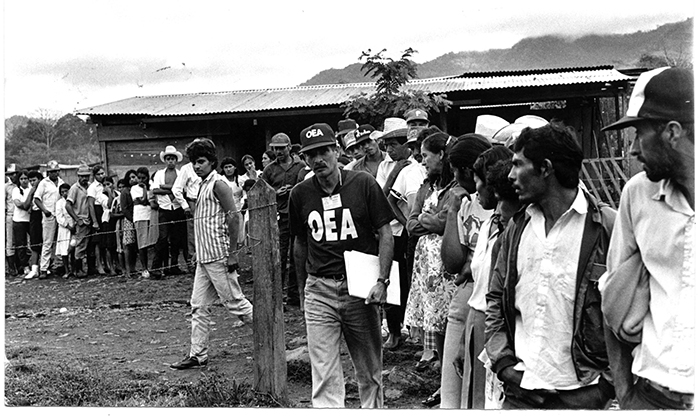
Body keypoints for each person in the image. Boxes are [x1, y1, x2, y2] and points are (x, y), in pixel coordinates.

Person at [484, 123, 616, 409]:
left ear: (545, 168)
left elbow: (628, 312)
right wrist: (504, 364)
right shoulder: (517, 228)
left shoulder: (606, 228)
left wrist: (605, 387)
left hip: (581, 395)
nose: (510, 175)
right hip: (521, 393)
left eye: (518, 164)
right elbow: (495, 297)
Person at [599, 66, 694, 410]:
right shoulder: (637, 195)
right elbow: (611, 297)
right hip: (651, 397)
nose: (634, 151)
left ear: (671, 132)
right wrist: (625, 395)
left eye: (639, 135)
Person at [289, 123, 394, 408]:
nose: (318, 159)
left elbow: (385, 231)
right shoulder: (300, 194)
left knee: (369, 370)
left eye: (323, 151)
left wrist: (382, 281)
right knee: (323, 372)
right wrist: (302, 290)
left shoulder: (362, 183)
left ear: (336, 150)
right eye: (311, 154)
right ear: (304, 158)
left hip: (360, 286)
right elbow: (299, 243)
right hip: (319, 287)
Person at [170, 138, 253, 370]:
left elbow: (234, 216)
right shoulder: (201, 185)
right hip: (204, 258)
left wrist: (233, 253)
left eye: (202, 162)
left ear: (212, 162)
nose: (197, 166)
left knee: (236, 304)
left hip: (219, 255)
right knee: (198, 305)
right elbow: (202, 222)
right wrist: (197, 251)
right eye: (194, 163)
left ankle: (272, 339)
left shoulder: (219, 184)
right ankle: (198, 354)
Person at [442, 146, 515, 409]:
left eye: (478, 182)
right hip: (477, 319)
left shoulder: (515, 230)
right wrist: (464, 339)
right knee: (474, 398)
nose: (475, 189)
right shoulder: (488, 226)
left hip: (499, 325)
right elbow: (478, 289)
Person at [438, 134, 494, 408]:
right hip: (463, 300)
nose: (457, 177)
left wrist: (473, 267)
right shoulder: (465, 204)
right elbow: (451, 262)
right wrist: (451, 211)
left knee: (482, 391)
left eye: (458, 171)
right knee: (452, 385)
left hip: (490, 300)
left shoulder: (503, 205)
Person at [404, 131, 457, 407]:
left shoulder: (456, 187)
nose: (422, 161)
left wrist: (433, 221)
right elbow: (411, 225)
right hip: (426, 263)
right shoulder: (426, 186)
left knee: (450, 321)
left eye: (426, 156)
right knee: (433, 321)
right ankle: (442, 384)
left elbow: (447, 222)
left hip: (446, 262)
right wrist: (430, 220)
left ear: (441, 156)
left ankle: (452, 384)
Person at [374, 118, 424, 351]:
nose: (389, 149)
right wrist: (395, 172)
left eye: (394, 144)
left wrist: (408, 224)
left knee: (409, 280)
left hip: (405, 233)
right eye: (386, 145)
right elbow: (382, 200)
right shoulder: (388, 167)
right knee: (391, 281)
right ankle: (394, 331)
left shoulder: (415, 167)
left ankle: (410, 329)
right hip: (389, 232)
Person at [261, 133, 306, 306]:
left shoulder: (300, 166)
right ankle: (277, 297)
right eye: (275, 149)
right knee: (279, 256)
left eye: (281, 148)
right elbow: (260, 190)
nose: (278, 152)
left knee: (297, 257)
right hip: (279, 217)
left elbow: (305, 186)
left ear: (289, 147)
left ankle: (294, 295)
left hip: (298, 216)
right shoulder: (270, 169)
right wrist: (275, 192)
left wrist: (293, 189)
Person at [152, 145, 187, 276]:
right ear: (165, 160)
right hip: (164, 209)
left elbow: (183, 190)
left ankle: (174, 266)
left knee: (177, 238)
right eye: (168, 158)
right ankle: (155, 267)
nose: (170, 161)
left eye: (172, 158)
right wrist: (172, 188)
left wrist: (166, 187)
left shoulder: (180, 174)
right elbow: (155, 190)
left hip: (177, 208)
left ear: (176, 160)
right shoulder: (159, 174)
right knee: (162, 238)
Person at [172, 142, 203, 268]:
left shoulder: (207, 166)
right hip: (193, 202)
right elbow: (176, 189)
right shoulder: (186, 168)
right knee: (193, 234)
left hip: (206, 201)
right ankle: (193, 263)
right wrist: (185, 206)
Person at [65, 164, 93, 278]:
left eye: (86, 176)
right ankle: (77, 270)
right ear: (78, 176)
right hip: (81, 220)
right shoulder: (74, 188)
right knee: (80, 245)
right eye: (82, 176)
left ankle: (88, 268)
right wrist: (77, 219)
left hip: (90, 220)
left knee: (87, 245)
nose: (85, 178)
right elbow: (68, 205)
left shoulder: (90, 187)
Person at [132, 167, 158, 279]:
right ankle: (144, 268)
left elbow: (153, 201)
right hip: (141, 216)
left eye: (144, 178)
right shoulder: (134, 188)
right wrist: (144, 189)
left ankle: (155, 267)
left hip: (151, 215)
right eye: (139, 178)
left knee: (154, 240)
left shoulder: (152, 185)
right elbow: (142, 201)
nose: (141, 180)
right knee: (142, 243)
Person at [86, 165, 111, 275]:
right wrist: (94, 221)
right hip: (96, 211)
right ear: (94, 175)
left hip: (105, 211)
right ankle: (99, 265)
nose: (101, 176)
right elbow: (90, 205)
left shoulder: (105, 184)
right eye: (99, 174)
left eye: (102, 173)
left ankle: (107, 264)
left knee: (105, 240)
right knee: (97, 241)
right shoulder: (92, 187)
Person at [12, 170, 34, 278]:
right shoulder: (16, 191)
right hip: (19, 220)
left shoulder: (31, 188)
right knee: (21, 244)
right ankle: (24, 266)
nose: (24, 181)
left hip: (30, 220)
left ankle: (35, 265)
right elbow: (22, 206)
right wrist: (29, 198)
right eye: (22, 179)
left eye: (26, 178)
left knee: (35, 242)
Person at [220, 157, 246, 246]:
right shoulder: (221, 180)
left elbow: (245, 194)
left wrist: (242, 204)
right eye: (226, 167)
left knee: (239, 231)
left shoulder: (241, 180)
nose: (228, 169)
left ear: (234, 167)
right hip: (225, 209)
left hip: (239, 208)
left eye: (230, 166)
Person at [25, 170, 44, 279]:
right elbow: (26, 206)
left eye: (34, 180)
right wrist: (31, 192)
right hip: (34, 217)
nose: (32, 183)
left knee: (45, 241)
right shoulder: (30, 190)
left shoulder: (43, 188)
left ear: (39, 180)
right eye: (30, 181)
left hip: (44, 214)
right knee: (34, 242)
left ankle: (45, 267)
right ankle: (34, 269)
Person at [120, 170, 139, 277]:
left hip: (138, 218)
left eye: (134, 177)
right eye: (130, 177)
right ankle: (128, 270)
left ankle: (133, 268)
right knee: (128, 245)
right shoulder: (125, 192)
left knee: (135, 246)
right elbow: (124, 208)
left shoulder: (138, 190)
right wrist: (132, 219)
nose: (133, 179)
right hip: (129, 220)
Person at [55, 183, 75, 279]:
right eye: (62, 192)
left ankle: (75, 269)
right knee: (64, 250)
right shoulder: (59, 203)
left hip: (74, 226)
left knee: (74, 247)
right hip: (64, 228)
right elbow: (59, 217)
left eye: (66, 191)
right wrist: (67, 225)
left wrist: (74, 225)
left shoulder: (73, 201)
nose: (64, 193)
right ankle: (67, 270)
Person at [5, 165, 18, 276]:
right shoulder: (6, 187)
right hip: (10, 215)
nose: (13, 176)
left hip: (21, 215)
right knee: (10, 241)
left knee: (22, 241)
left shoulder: (18, 185)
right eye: (10, 174)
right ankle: (11, 267)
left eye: (14, 174)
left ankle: (21, 264)